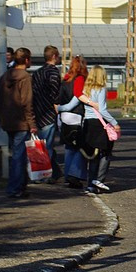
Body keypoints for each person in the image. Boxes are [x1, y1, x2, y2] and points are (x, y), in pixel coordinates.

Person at [0, 47, 37, 199]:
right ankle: (15, 188)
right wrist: (32, 124)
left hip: (7, 121)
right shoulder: (25, 77)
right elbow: (27, 102)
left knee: (16, 154)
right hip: (21, 122)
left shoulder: (6, 75)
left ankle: (19, 186)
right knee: (19, 156)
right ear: (26, 60)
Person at [79, 65, 120, 194]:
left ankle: (91, 182)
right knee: (106, 152)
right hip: (99, 124)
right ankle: (99, 179)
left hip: (88, 123)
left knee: (93, 155)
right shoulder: (101, 89)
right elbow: (102, 110)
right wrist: (114, 123)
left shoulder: (86, 89)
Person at [31, 45, 63, 183]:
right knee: (48, 146)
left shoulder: (37, 73)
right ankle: (46, 176)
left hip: (37, 112)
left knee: (38, 146)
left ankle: (40, 175)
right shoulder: (54, 73)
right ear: (54, 56)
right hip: (49, 114)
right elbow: (55, 94)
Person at [58, 55, 89, 189]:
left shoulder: (65, 79)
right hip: (76, 115)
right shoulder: (80, 79)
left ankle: (67, 176)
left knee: (69, 148)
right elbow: (78, 96)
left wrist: (60, 109)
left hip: (64, 116)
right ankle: (74, 175)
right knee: (81, 147)